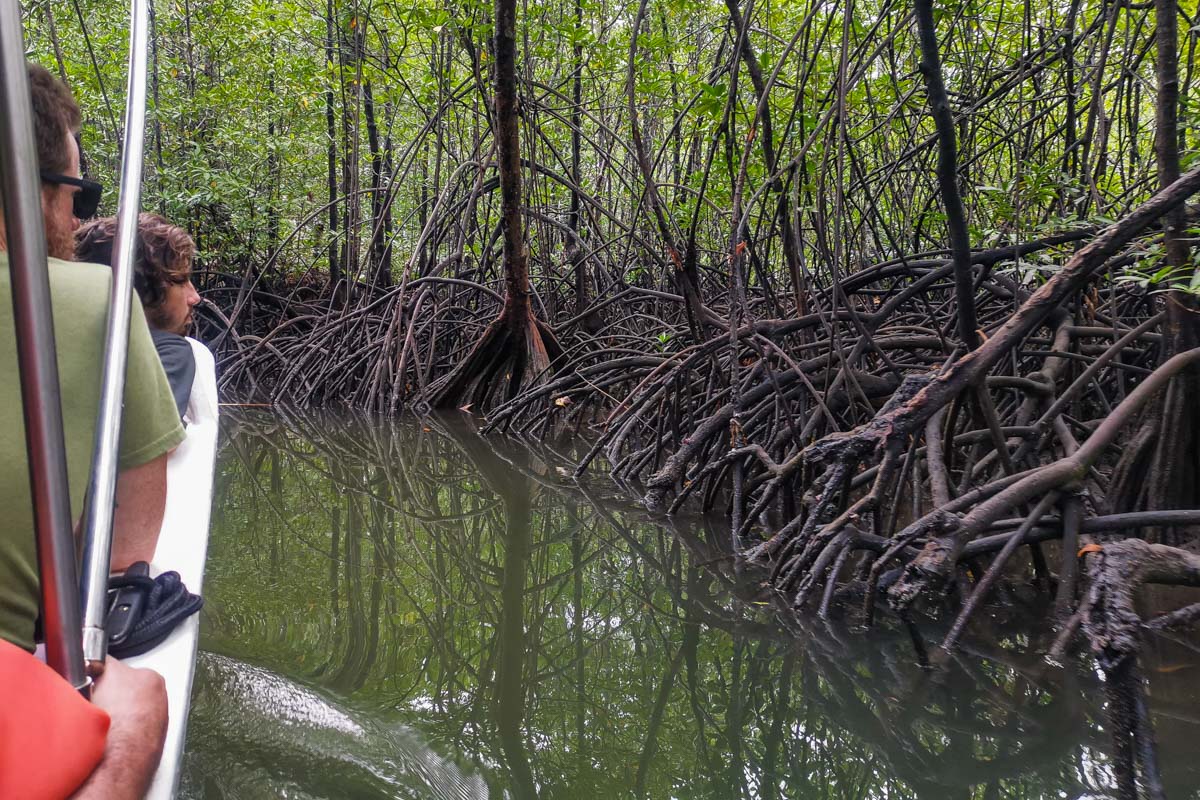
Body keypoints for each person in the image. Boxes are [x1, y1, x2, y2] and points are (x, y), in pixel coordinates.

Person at [0, 63, 184, 798]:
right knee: (139, 703)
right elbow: (124, 557)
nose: (79, 219)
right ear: (34, 186)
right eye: (79, 193)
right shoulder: (94, 300)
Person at [77, 213, 201, 417]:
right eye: (180, 281)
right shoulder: (171, 351)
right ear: (143, 290)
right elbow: (153, 440)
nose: (194, 297)